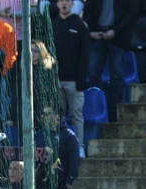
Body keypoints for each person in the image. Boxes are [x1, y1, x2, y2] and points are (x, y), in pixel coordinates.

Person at [84, 0, 141, 118]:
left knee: (117, 74)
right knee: (93, 74)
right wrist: (92, 32)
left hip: (119, 38)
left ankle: (115, 112)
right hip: (97, 36)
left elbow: (131, 13)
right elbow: (88, 12)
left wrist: (115, 30)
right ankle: (96, 109)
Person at [50, 0, 89, 145]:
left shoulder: (80, 25)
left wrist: (80, 81)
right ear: (57, 4)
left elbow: (85, 56)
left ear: (73, 4)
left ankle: (79, 147)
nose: (64, 4)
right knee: (56, 116)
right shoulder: (53, 24)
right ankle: (57, 147)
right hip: (56, 80)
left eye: (67, 1)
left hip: (74, 81)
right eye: (61, 1)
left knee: (76, 115)